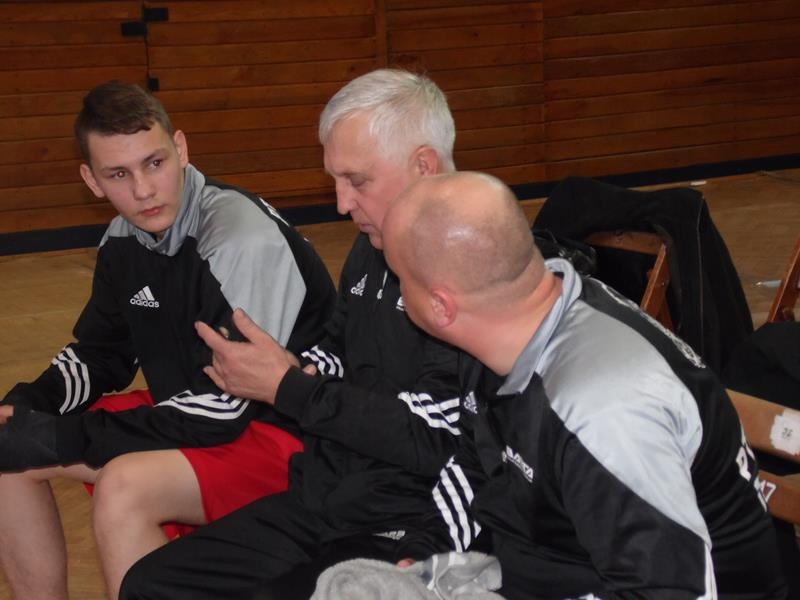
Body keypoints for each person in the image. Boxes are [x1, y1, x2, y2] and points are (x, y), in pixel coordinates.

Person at [118, 68, 463, 600]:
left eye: (357, 181)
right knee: (150, 583)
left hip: (407, 518)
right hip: (328, 496)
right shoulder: (372, 247)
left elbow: (435, 438)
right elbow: (340, 344)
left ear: (424, 166)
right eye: (336, 180)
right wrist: (291, 365)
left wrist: (292, 387)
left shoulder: (471, 267)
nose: (341, 203)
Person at [381, 171, 788, 599]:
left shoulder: (603, 409)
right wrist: (420, 553)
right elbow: (478, 465)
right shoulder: (508, 331)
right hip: (553, 567)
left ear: (441, 305)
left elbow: (668, 591)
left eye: (400, 279)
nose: (399, 294)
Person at [0, 80, 336, 600]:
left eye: (154, 163)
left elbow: (226, 408)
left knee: (124, 486)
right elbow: (101, 354)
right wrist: (29, 405)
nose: (143, 190)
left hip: (293, 435)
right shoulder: (123, 240)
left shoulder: (238, 238)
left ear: (180, 148)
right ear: (91, 180)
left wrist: (56, 436)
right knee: (7, 451)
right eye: (118, 174)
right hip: (193, 410)